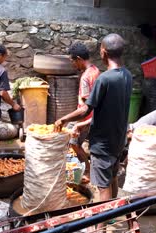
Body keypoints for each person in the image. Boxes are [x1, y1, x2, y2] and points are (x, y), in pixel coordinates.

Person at [55, 33, 132, 203]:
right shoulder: (127, 75)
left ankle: (101, 227)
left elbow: (85, 109)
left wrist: (63, 119)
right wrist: (87, 124)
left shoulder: (104, 79)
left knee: (102, 187)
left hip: (102, 144)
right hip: (118, 140)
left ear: (103, 52)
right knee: (112, 178)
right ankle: (112, 214)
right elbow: (107, 109)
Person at [66, 42, 101, 184]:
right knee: (72, 141)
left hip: (85, 117)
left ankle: (86, 169)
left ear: (79, 58)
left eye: (73, 61)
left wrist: (79, 122)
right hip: (91, 117)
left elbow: (87, 105)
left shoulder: (86, 77)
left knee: (73, 142)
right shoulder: (96, 71)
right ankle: (83, 166)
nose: (73, 64)